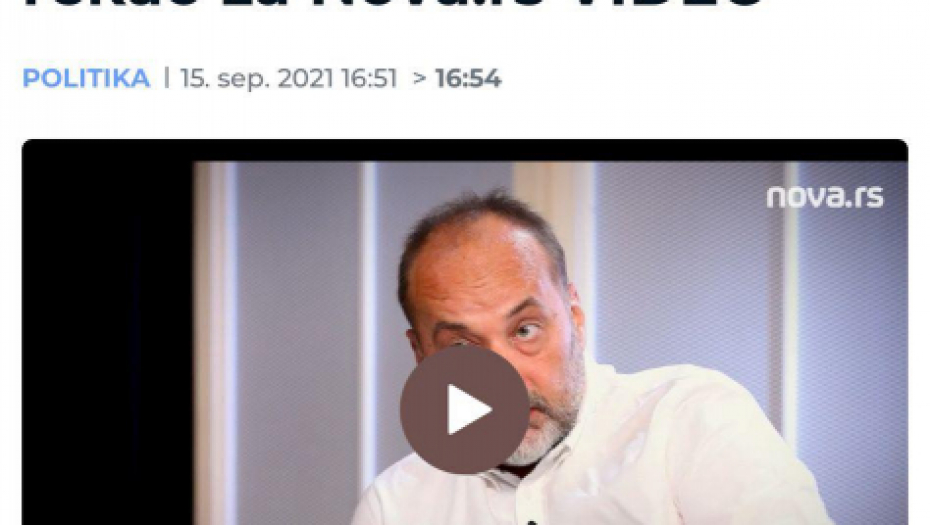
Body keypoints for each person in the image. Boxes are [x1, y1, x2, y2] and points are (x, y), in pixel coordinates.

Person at [351, 189, 832, 525]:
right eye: (461, 348)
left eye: (525, 330)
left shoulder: (691, 421)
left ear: (575, 318)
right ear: (421, 356)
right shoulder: (394, 506)